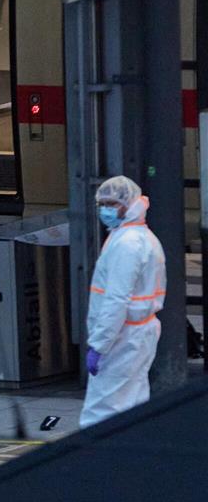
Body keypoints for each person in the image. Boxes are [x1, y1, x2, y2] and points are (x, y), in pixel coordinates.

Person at [79, 175, 166, 428]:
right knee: (132, 403)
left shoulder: (127, 244)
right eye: (102, 204)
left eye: (112, 203)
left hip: (122, 336)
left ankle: (98, 462)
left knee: (103, 410)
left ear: (129, 204)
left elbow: (116, 299)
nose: (106, 210)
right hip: (136, 333)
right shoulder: (139, 237)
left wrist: (99, 344)